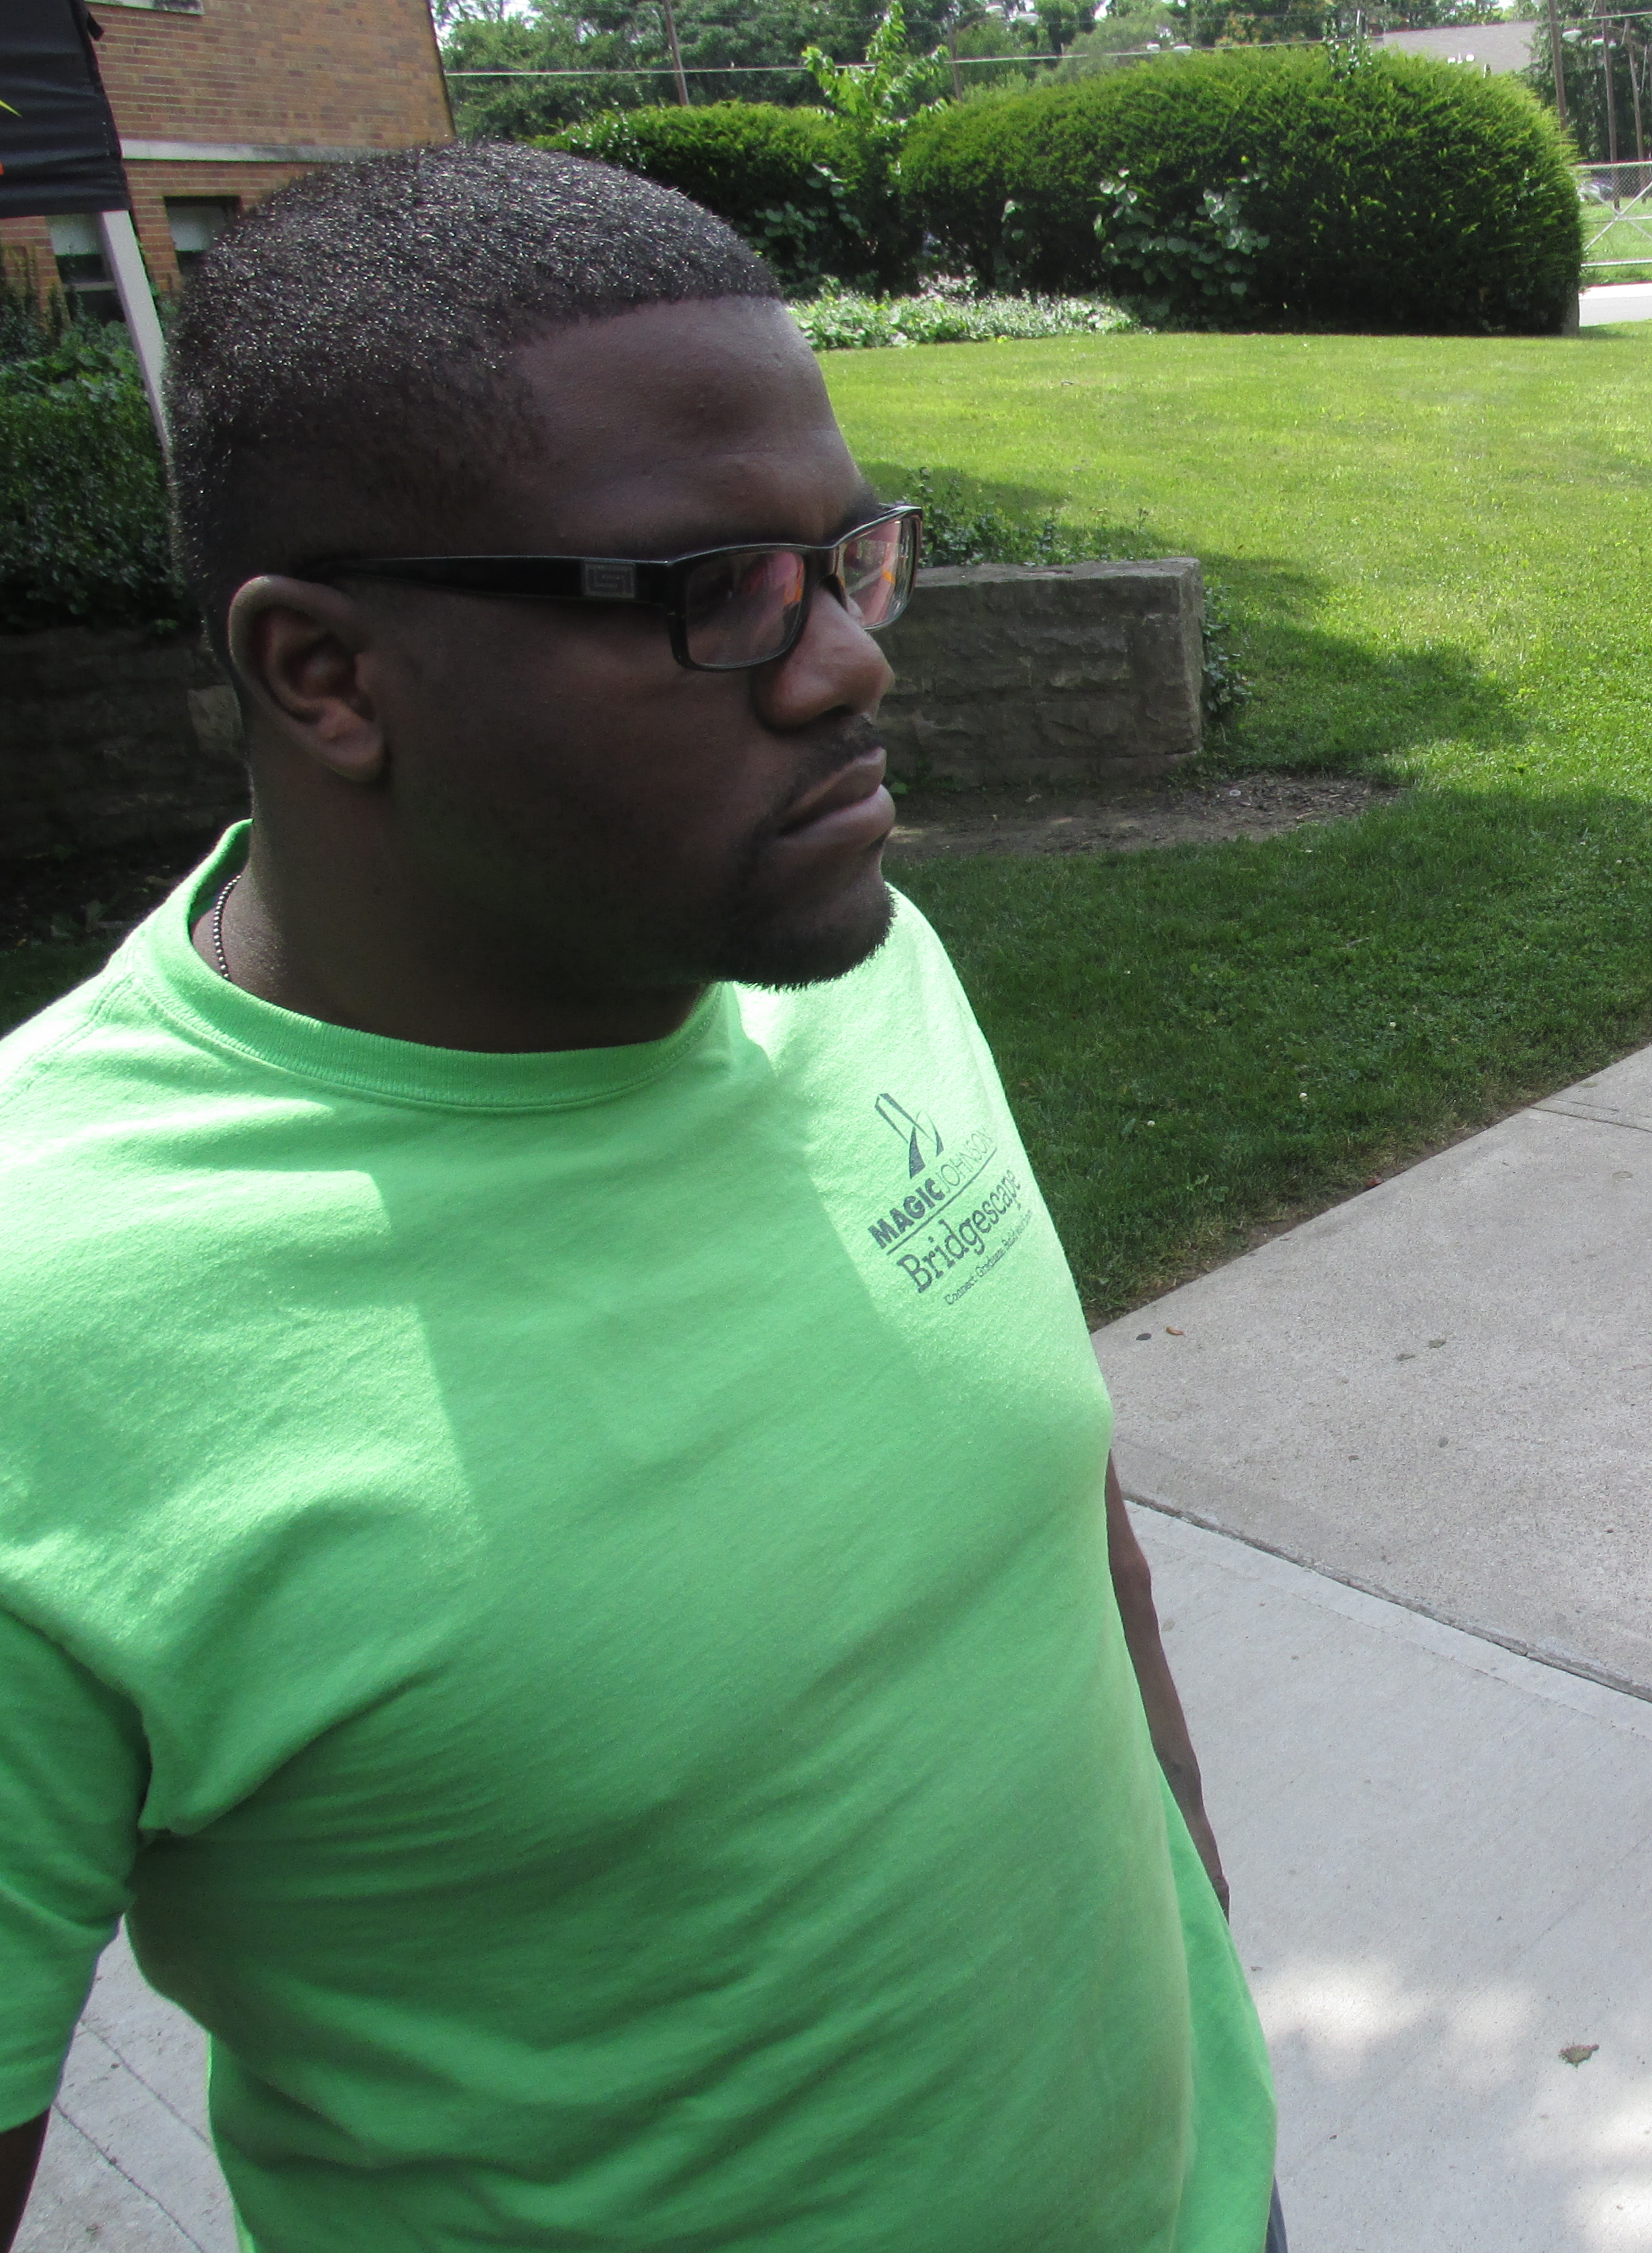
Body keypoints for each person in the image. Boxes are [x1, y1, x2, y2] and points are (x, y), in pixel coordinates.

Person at [0, 144, 1278, 2252]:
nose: (848, 665)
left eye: (850, 561)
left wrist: (1203, 1966)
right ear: (325, 674)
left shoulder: (857, 960)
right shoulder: (48, 1318)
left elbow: (1063, 1520)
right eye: (716, 593)